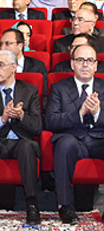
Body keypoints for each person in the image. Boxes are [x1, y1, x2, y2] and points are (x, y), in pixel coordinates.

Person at [0, 49, 42, 225]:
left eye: (0, 65)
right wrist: (2, 119)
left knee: (27, 146)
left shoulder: (30, 91)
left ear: (14, 67)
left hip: (22, 141)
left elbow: (37, 127)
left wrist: (21, 116)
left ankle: (32, 205)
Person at [45, 43, 104, 224]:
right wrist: (80, 113)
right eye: (80, 60)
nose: (85, 65)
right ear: (72, 64)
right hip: (73, 140)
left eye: (89, 61)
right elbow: (51, 121)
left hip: (100, 140)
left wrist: (96, 113)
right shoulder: (58, 88)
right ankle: (65, 206)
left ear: (95, 65)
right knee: (64, 144)